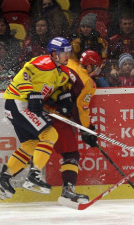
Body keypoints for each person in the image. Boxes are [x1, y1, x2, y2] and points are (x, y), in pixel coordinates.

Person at [0, 37, 73, 200]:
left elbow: (48, 89)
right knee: (50, 135)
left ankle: (3, 179)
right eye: (64, 52)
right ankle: (34, 176)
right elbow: (26, 71)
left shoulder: (61, 73)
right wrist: (31, 94)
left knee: (31, 144)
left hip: (18, 105)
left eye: (69, 51)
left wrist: (61, 97)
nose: (68, 55)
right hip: (19, 102)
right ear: (54, 54)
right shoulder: (45, 63)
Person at [47, 50, 100, 205]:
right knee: (71, 154)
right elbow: (81, 107)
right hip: (56, 115)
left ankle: (5, 177)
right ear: (89, 66)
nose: (97, 71)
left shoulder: (69, 63)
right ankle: (67, 191)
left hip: (37, 110)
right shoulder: (88, 82)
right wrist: (87, 129)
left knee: (32, 146)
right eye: (96, 67)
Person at [71, 13, 109, 87]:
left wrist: (96, 71)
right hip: (81, 74)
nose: (85, 29)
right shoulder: (76, 42)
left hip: (98, 74)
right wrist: (84, 71)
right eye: (83, 26)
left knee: (104, 85)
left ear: (93, 28)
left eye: (88, 27)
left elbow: (104, 59)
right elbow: (73, 61)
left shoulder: (101, 42)